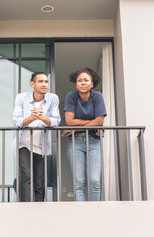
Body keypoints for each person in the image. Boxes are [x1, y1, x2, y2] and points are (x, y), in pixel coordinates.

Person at [13, 72, 60, 202]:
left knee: (39, 181)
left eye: (46, 82)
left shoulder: (53, 99)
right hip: (24, 144)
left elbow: (56, 121)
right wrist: (32, 117)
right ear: (32, 84)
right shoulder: (21, 98)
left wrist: (42, 117)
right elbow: (17, 121)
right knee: (26, 176)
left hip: (41, 147)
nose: (44, 84)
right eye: (41, 81)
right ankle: (28, 206)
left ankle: (39, 207)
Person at [62, 67, 107, 201]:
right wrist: (93, 124)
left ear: (92, 84)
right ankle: (80, 213)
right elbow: (69, 121)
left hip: (94, 142)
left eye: (86, 80)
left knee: (94, 181)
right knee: (79, 182)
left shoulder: (97, 96)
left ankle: (94, 212)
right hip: (75, 142)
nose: (82, 83)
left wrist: (77, 127)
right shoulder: (71, 96)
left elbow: (100, 120)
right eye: (79, 80)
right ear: (76, 84)